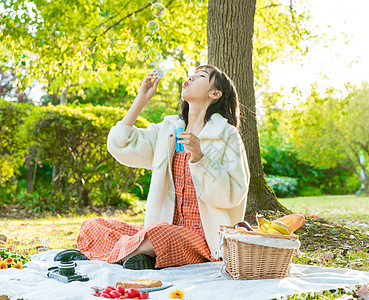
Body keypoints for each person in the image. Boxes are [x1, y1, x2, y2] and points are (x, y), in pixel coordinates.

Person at [75, 65, 250, 270]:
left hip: (203, 241)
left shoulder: (226, 135)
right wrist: (142, 98)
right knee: (93, 226)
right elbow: (120, 145)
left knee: (160, 234)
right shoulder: (168, 130)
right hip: (162, 229)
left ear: (215, 93)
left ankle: (102, 253)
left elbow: (233, 194)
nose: (191, 78)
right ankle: (134, 254)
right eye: (191, 75)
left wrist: (201, 159)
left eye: (200, 76)